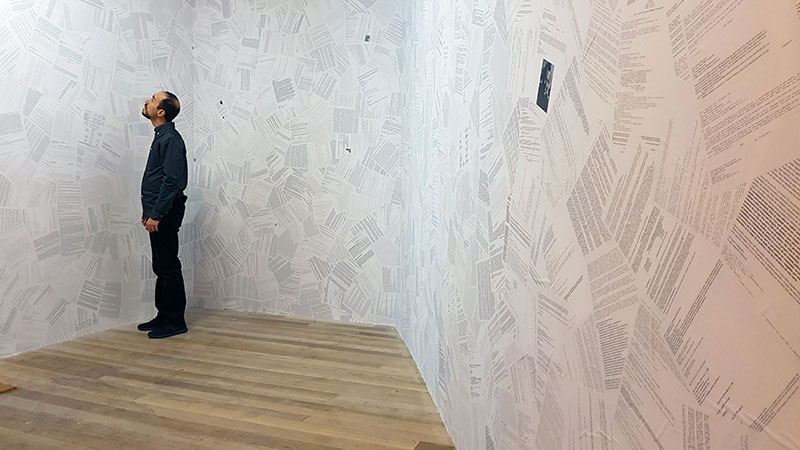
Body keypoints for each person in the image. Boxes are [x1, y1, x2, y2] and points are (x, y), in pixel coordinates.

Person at [137, 91, 189, 339]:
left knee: (168, 266)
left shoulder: (171, 140)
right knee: (160, 265)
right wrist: (148, 213)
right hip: (158, 211)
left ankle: (176, 321)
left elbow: (171, 182)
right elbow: (157, 179)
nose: (147, 101)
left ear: (161, 112)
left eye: (153, 99)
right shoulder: (162, 137)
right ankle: (164, 316)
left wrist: (156, 214)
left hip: (165, 212)